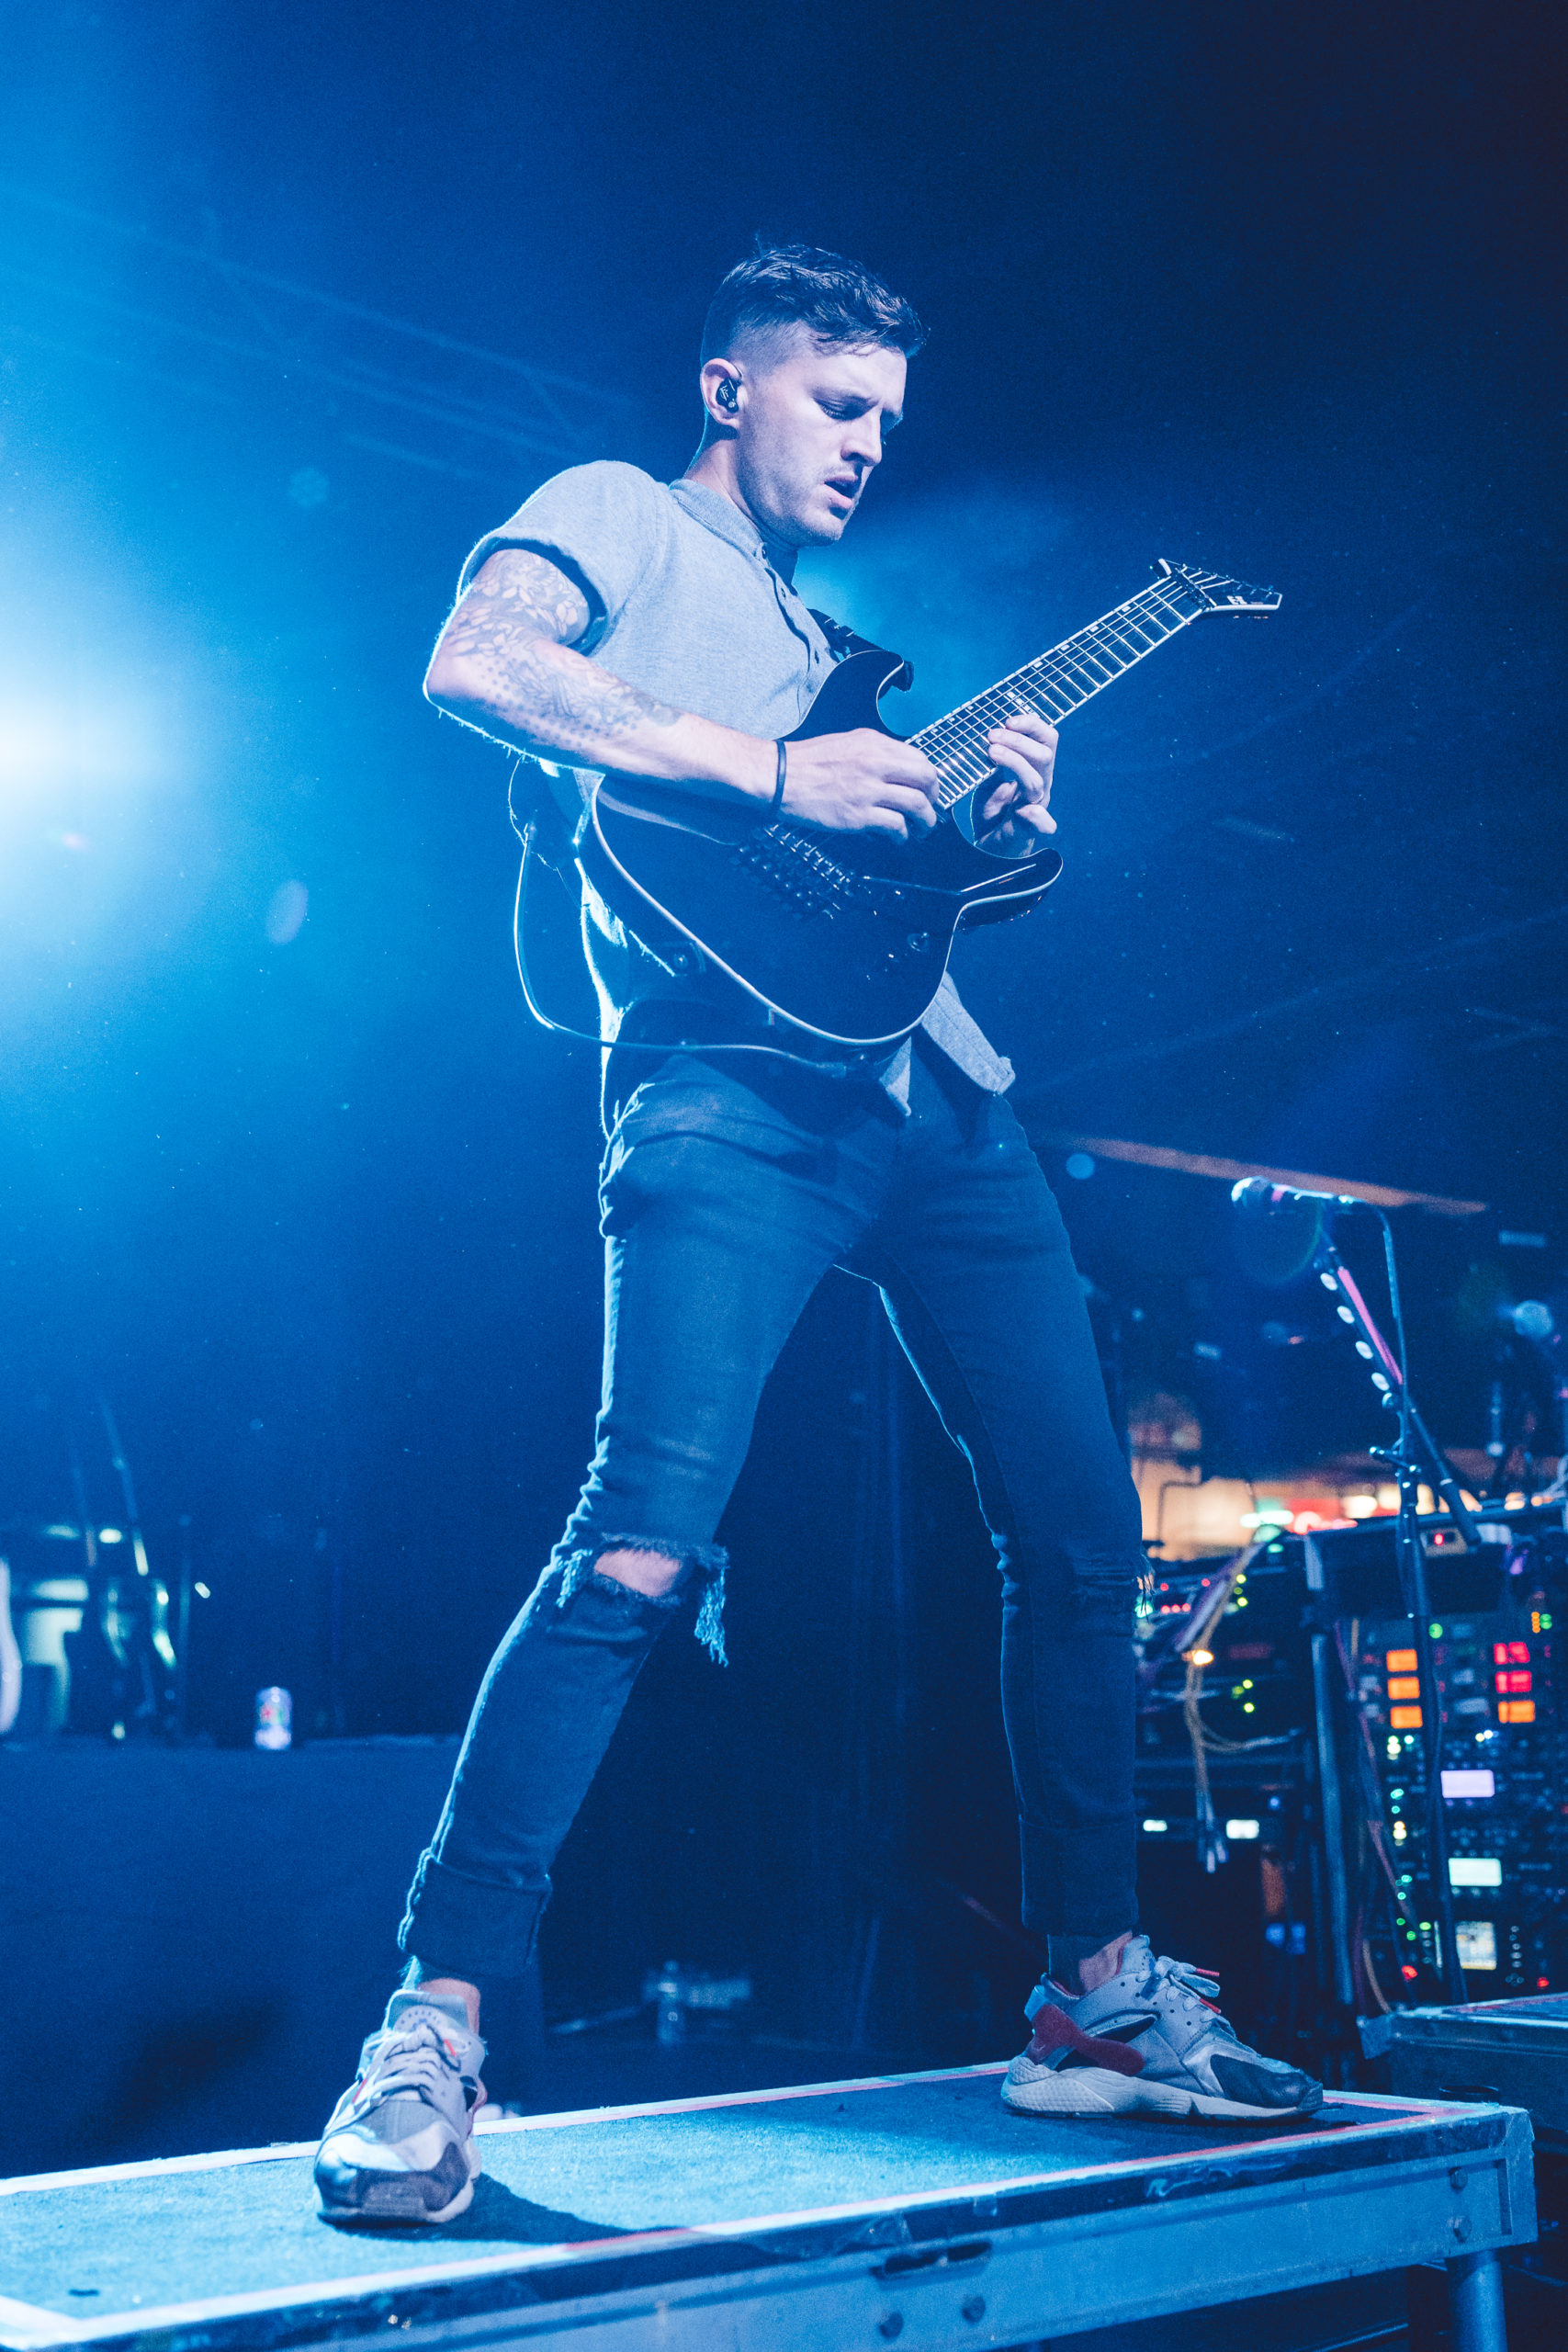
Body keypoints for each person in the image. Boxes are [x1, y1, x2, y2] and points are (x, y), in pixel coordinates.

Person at [313, 245, 1321, 2227]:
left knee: (1084, 1538)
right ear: (729, 388)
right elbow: (479, 664)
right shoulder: (617, 515)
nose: (868, 446)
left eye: (889, 422)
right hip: (726, 1095)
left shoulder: (832, 637)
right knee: (636, 1542)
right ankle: (432, 2027)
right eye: (837, 405)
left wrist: (1001, 833)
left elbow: (898, 893)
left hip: (941, 1099)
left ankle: (1096, 1998)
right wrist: (776, 765)